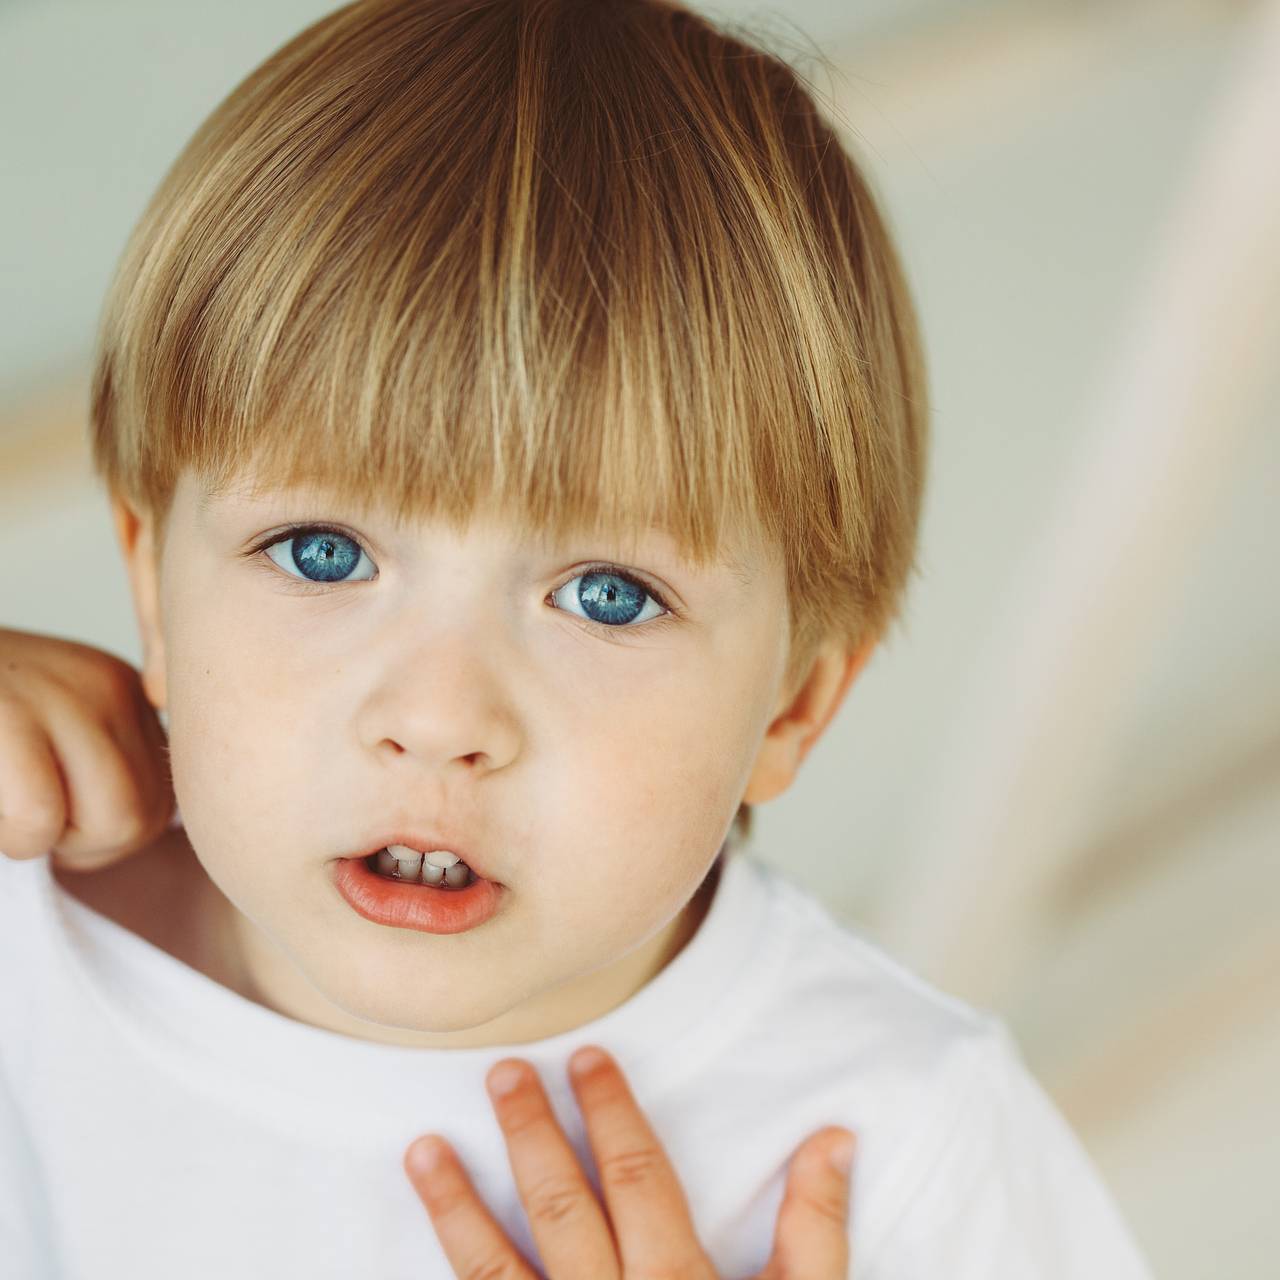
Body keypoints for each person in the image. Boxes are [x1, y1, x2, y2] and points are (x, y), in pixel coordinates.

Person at [0, 1, 1154, 1276]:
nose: (439, 716)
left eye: (607, 593)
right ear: (153, 590)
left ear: (793, 707)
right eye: (322, 551)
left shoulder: (894, 1143)